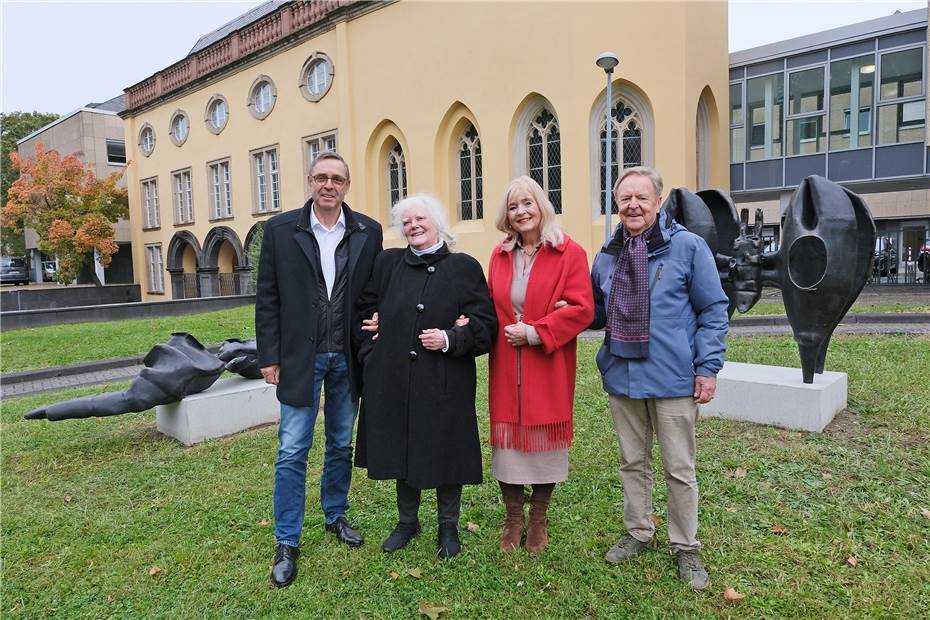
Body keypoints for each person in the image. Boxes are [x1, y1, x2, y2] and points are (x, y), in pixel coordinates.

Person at [590, 166, 728, 590]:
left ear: (657, 202)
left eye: (641, 198)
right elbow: (594, 309)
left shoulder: (687, 248)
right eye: (625, 198)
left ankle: (685, 546)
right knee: (632, 462)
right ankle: (638, 531)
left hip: (671, 377)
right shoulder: (608, 254)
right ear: (617, 205)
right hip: (622, 374)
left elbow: (713, 309)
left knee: (679, 468)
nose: (632, 205)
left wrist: (707, 367)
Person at [256, 152, 383, 588]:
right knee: (292, 449)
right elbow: (268, 298)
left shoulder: (368, 231)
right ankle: (287, 540)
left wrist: (377, 320)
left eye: (337, 179)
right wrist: (269, 356)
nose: (329, 185)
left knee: (340, 443)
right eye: (322, 177)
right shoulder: (280, 230)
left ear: (347, 185)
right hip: (299, 357)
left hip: (346, 356)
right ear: (310, 181)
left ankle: (335, 514)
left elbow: (371, 293)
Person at [355, 194, 496, 559]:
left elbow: (484, 325)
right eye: (407, 222)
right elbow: (364, 310)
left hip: (444, 379)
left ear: (437, 224)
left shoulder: (463, 267)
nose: (414, 226)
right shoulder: (387, 264)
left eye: (421, 219)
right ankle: (407, 522)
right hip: (394, 377)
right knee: (403, 448)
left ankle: (448, 526)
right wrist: (372, 346)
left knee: (447, 450)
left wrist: (451, 337)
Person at [486, 176, 594, 555]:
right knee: (508, 442)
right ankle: (514, 517)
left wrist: (535, 332)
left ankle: (540, 517)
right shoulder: (499, 255)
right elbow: (488, 305)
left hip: (547, 361)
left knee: (544, 437)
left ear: (541, 206)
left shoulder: (569, 252)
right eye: (513, 207)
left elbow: (583, 309)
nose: (521, 212)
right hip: (505, 362)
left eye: (527, 204)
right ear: (507, 215)